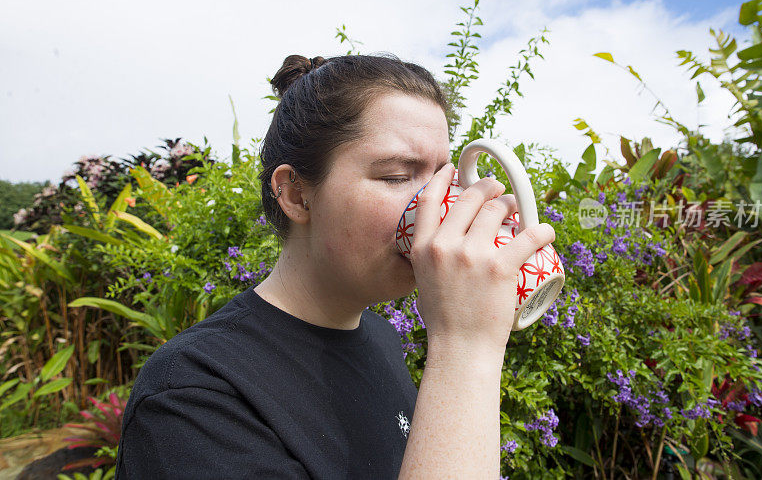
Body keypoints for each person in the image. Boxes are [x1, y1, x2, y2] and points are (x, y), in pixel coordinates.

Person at [114, 53, 556, 479]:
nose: (437, 206)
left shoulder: (380, 336)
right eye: (397, 176)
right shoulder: (195, 396)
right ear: (295, 193)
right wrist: (466, 346)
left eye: (443, 176)